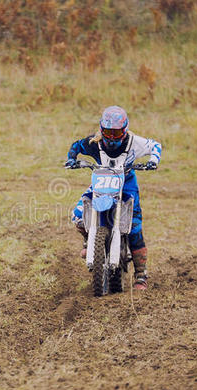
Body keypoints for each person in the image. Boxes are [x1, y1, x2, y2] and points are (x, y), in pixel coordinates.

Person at [64, 106, 161, 290]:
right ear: (102, 129)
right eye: (108, 132)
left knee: (134, 226)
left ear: (124, 130)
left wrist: (153, 161)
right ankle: (88, 238)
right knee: (78, 215)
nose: (112, 137)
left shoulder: (134, 142)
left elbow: (155, 145)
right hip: (101, 183)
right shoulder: (95, 142)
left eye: (117, 133)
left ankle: (141, 274)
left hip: (126, 185)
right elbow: (76, 146)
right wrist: (71, 158)